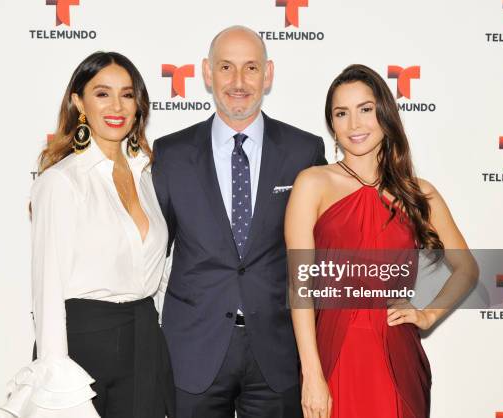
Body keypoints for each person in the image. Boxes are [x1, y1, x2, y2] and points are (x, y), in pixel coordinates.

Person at [152, 26, 327, 418]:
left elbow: (324, 251)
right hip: (192, 352)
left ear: (268, 75)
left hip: (277, 355)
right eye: (226, 67)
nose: (238, 82)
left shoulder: (304, 150)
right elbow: (148, 249)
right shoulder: (170, 153)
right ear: (206, 73)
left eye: (251, 68)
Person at [285, 64, 478, 418]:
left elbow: (467, 268)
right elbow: (300, 287)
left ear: (385, 113)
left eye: (366, 109)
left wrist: (428, 314)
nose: (354, 125)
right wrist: (312, 373)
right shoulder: (312, 184)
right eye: (341, 113)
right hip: (334, 354)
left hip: (397, 353)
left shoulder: (418, 193)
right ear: (331, 124)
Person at [0, 52, 175, 418]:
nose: (117, 106)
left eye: (127, 94)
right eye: (102, 93)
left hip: (145, 339)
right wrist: (53, 373)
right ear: (79, 102)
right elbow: (47, 288)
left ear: (138, 105)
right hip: (82, 341)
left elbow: (156, 272)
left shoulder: (148, 175)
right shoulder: (61, 181)